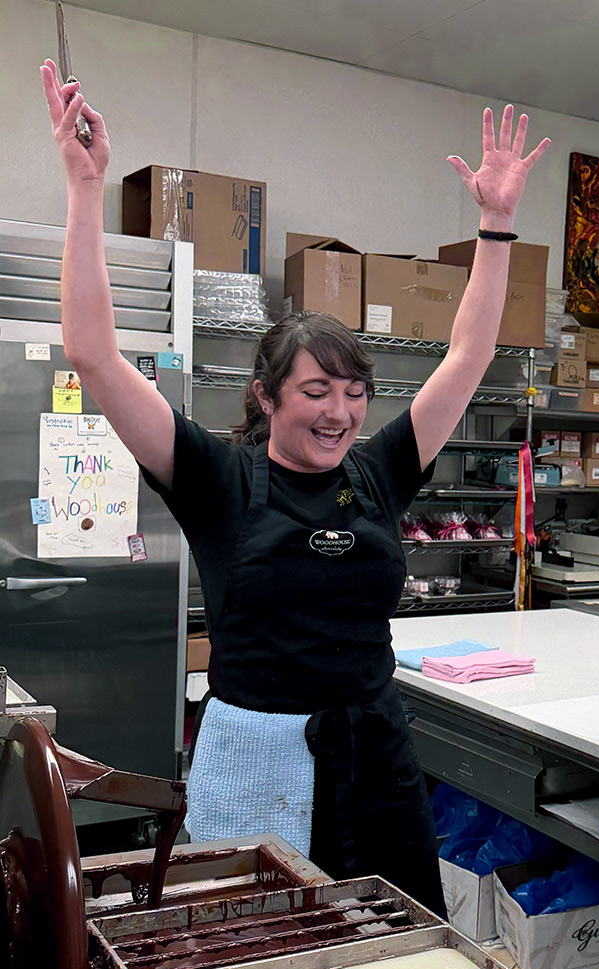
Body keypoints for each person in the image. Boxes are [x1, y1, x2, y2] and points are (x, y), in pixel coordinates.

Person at [41, 60, 549, 914]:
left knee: (391, 953)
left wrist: (496, 226)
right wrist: (86, 190)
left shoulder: (381, 471)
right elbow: (94, 352)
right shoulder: (213, 477)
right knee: (253, 957)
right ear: (265, 397)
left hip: (375, 756)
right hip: (255, 758)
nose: (341, 414)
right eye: (317, 393)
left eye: (355, 394)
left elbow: (466, 356)